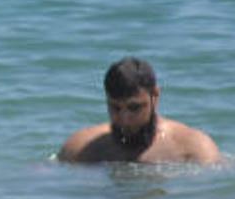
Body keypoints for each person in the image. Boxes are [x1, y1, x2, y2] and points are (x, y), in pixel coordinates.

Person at [58, 57, 222, 164]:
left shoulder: (193, 150)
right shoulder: (80, 149)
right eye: (115, 108)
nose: (124, 119)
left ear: (155, 96)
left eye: (134, 108)